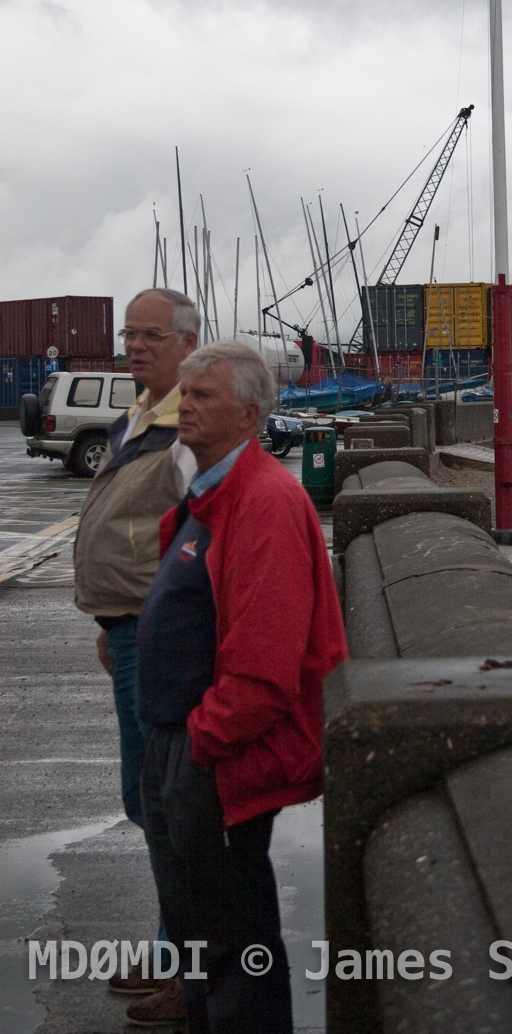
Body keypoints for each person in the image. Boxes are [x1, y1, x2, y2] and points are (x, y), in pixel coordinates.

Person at [132, 339, 347, 1032]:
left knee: (230, 941)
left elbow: (265, 665)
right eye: (184, 394)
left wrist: (202, 744)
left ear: (250, 414)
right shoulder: (212, 492)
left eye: (204, 396)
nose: (185, 406)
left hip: (214, 757)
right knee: (198, 936)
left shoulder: (264, 501)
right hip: (180, 745)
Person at [73, 287, 200, 1008]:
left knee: (165, 797)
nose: (136, 346)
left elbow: (195, 534)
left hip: (158, 635)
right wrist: (110, 621)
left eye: (152, 335)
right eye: (130, 334)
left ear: (188, 342)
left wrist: (145, 621)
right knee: (148, 794)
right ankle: (171, 946)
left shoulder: (188, 426)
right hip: (129, 628)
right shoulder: (140, 417)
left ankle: (186, 962)